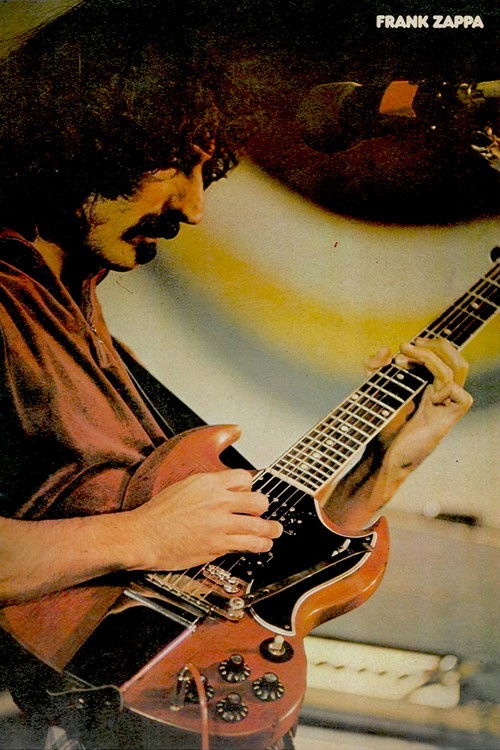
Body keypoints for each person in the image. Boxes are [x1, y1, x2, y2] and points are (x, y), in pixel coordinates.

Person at [0, 1, 473, 748]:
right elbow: (144, 540)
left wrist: (383, 466)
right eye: (174, 163)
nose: (193, 207)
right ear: (82, 138)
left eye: (204, 171)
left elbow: (252, 572)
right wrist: (142, 535)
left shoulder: (79, 320)